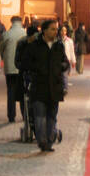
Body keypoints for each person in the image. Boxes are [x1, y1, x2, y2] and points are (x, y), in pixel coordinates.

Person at [19, 17, 69, 153]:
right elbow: (24, 63)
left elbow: (66, 63)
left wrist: (60, 66)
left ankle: (50, 141)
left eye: (56, 29)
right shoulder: (35, 46)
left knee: (52, 116)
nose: (56, 32)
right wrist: (38, 68)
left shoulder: (58, 46)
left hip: (54, 86)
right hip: (39, 86)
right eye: (53, 29)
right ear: (45, 31)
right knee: (40, 116)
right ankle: (42, 141)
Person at [0, 15, 27, 122]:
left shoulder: (7, 34)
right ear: (20, 22)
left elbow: (1, 49)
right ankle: (25, 115)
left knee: (11, 91)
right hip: (22, 67)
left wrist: (4, 58)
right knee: (23, 91)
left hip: (10, 68)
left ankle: (11, 116)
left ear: (11, 22)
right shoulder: (25, 33)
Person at [61, 23, 76, 92]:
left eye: (64, 31)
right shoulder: (57, 41)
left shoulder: (69, 41)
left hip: (67, 60)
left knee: (65, 75)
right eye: (62, 30)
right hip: (60, 60)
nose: (63, 32)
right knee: (62, 75)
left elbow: (72, 51)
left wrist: (73, 61)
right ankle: (63, 87)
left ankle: (65, 88)